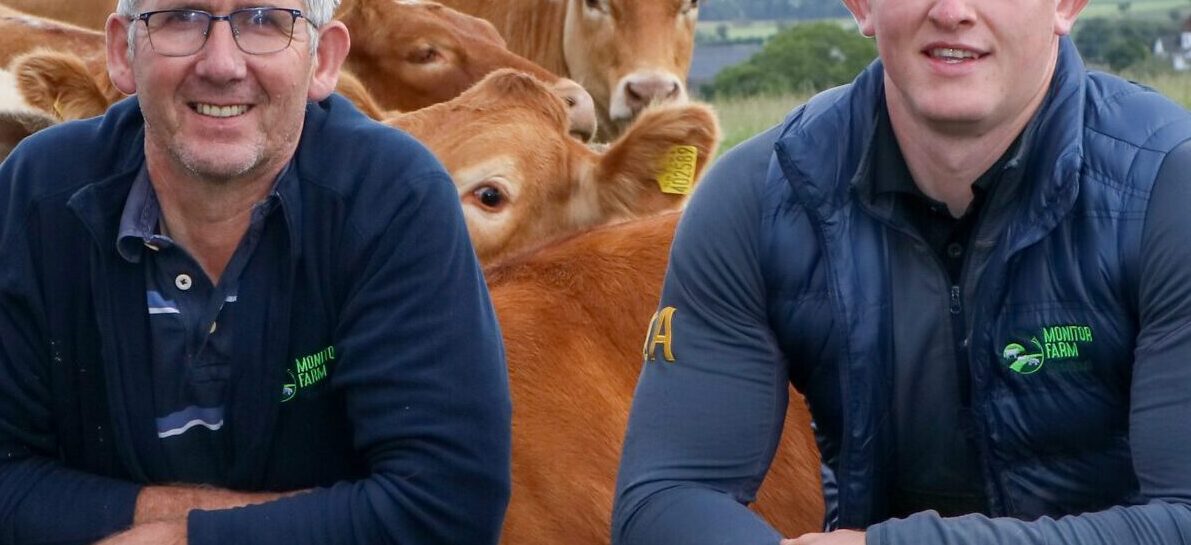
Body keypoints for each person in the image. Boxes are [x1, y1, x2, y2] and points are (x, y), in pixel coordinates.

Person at [612, 0, 1191, 543]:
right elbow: (664, 501)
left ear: (1066, 4)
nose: (952, 12)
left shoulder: (1167, 188)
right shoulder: (759, 198)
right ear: (862, 4)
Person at [0, 0, 512, 543]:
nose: (221, 64)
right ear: (122, 53)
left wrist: (182, 538)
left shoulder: (393, 200)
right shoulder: (39, 192)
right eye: (182, 18)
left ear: (324, 60)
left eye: (265, 21)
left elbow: (448, 506)